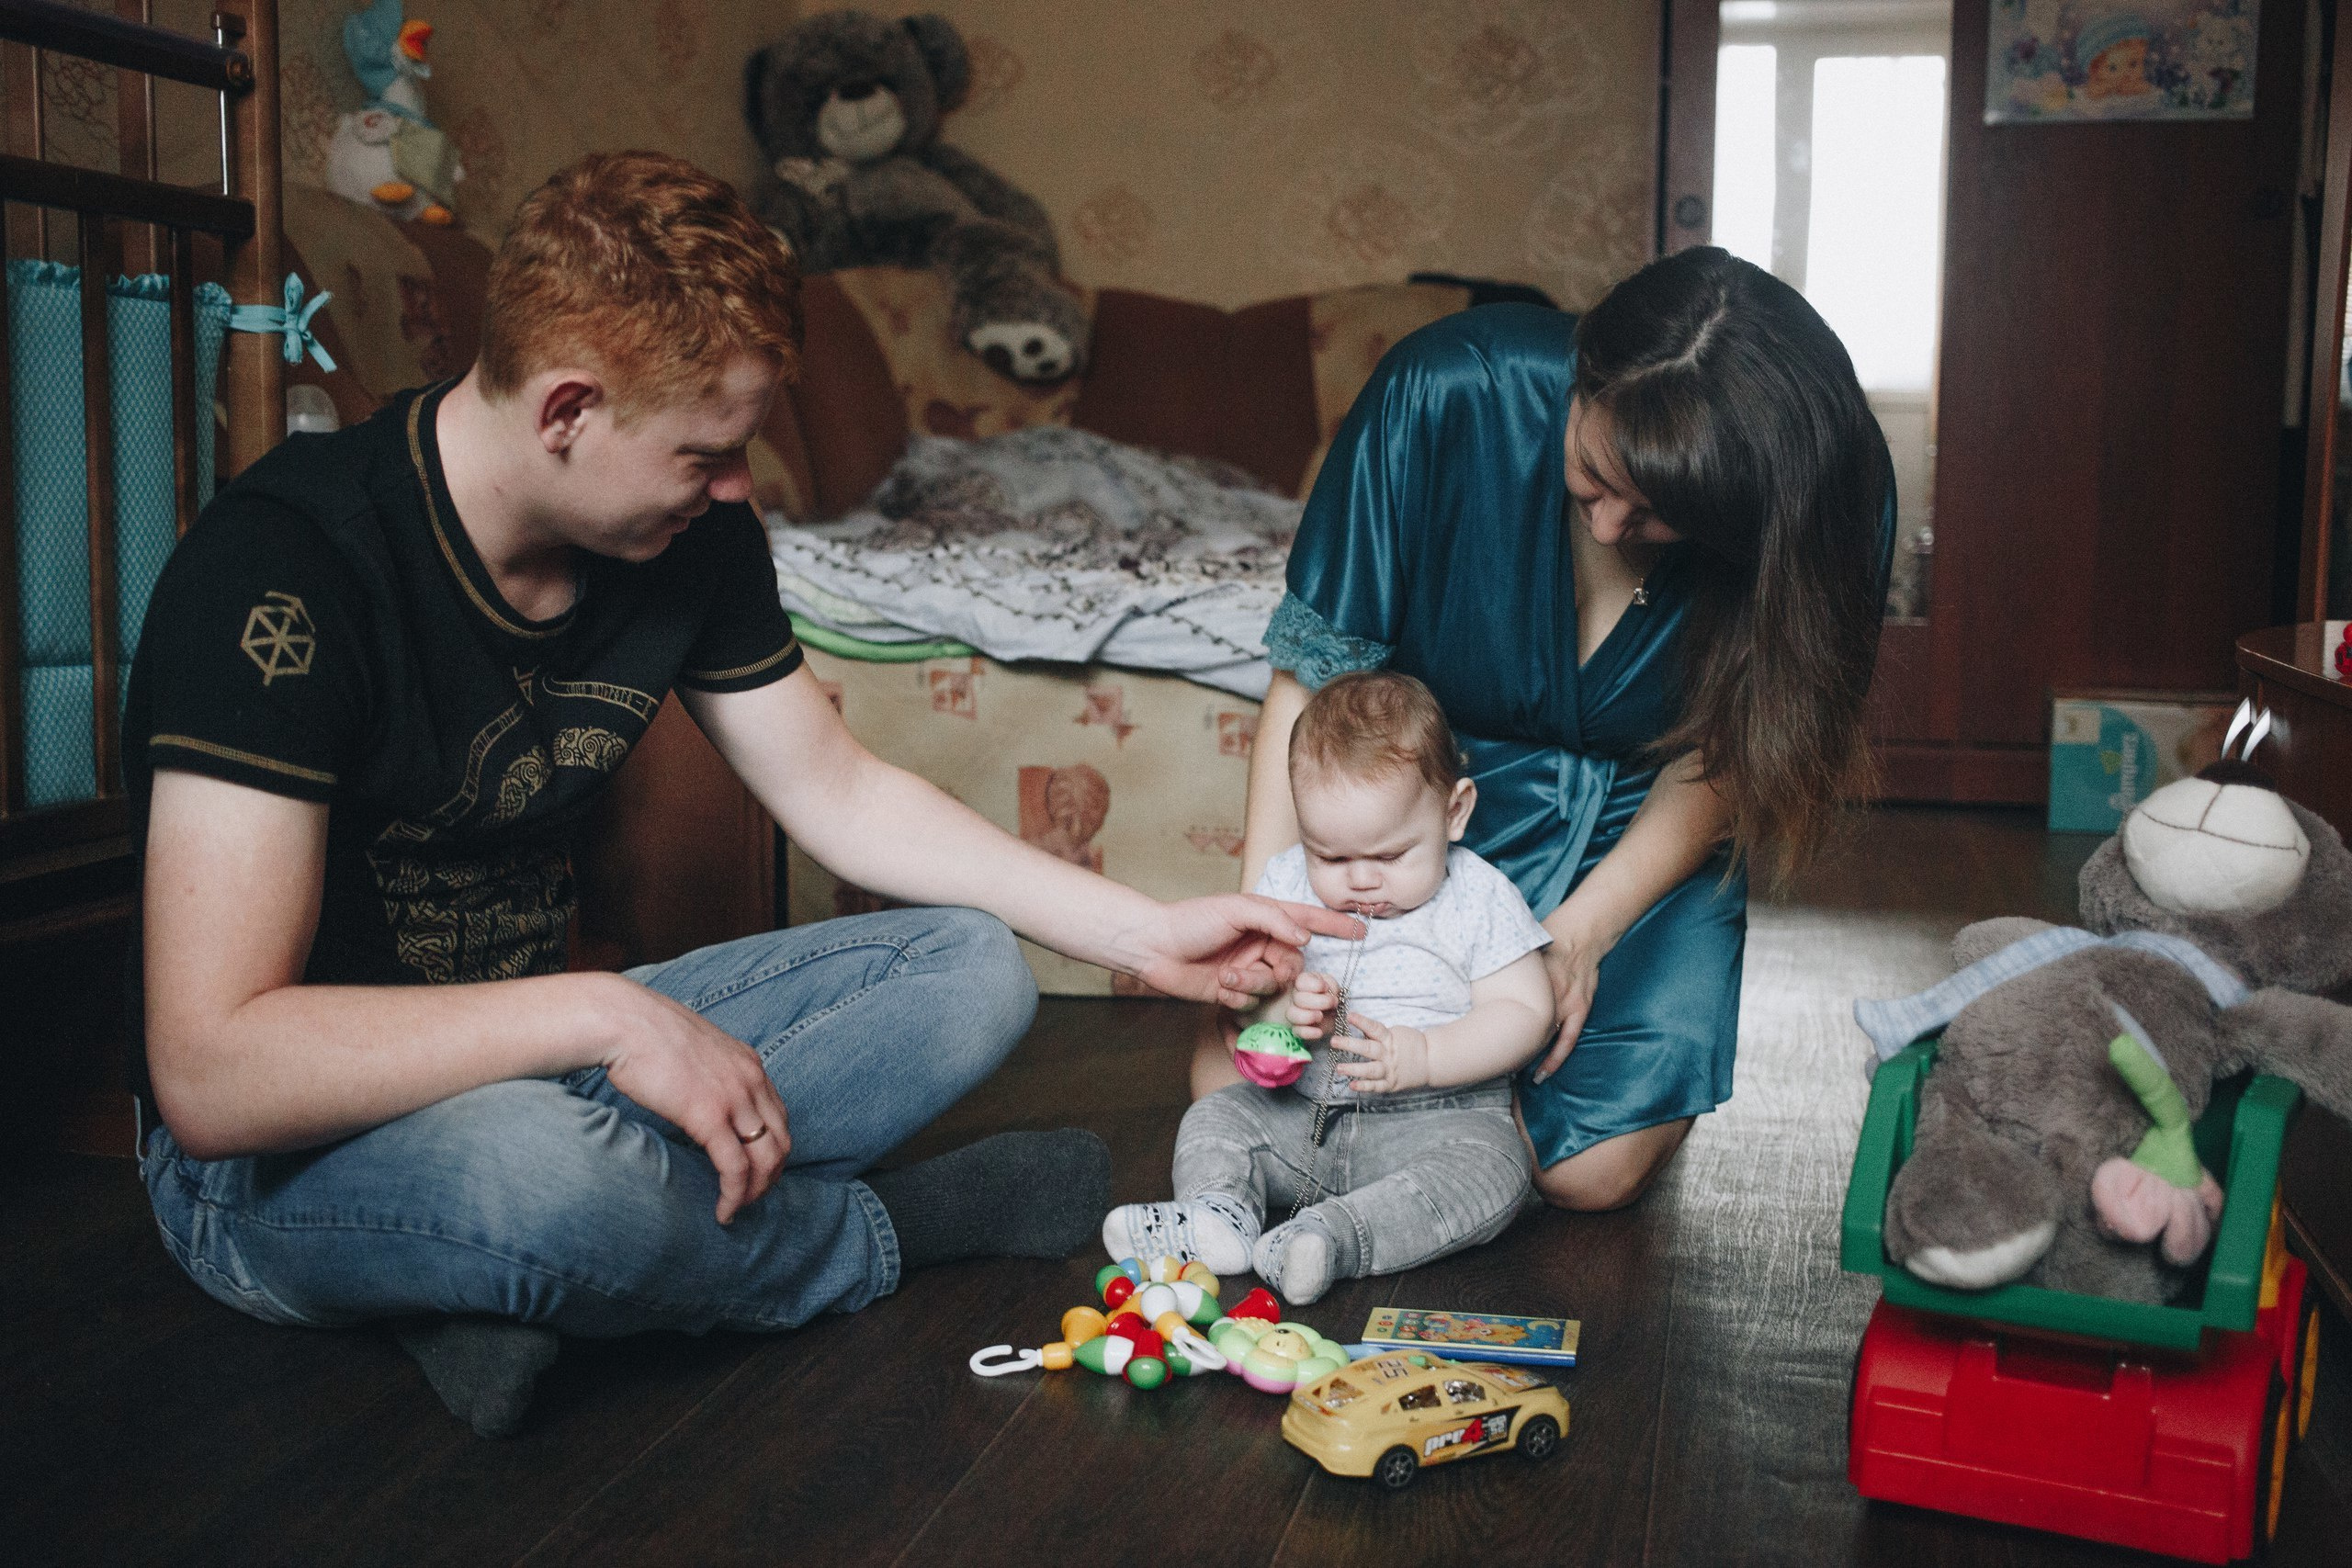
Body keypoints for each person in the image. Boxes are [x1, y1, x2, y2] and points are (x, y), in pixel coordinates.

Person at [126, 151, 1355, 1437]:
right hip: (281, 1159)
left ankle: (528, 1282)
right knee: (538, 1174)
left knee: (975, 966)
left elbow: (837, 789)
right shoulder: (281, 571)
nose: (737, 490)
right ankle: (869, 1230)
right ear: (566, 411)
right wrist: (607, 1015)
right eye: (706, 454)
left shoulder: (687, 535)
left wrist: (1145, 932)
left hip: (550, 1062)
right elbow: (214, 1073)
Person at [1196, 246, 1894, 1213]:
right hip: (1428, 808)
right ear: (1586, 374)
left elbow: (1735, 750)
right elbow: (1312, 684)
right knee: (1235, 1102)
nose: (1608, 528)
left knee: (1580, 1174)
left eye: (1658, 515)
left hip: (1647, 825)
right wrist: (1266, 933)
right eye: (1592, 478)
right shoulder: (1443, 390)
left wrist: (1578, 935)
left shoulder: (1820, 498)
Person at [1105, 671, 1555, 1304]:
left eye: (1393, 855)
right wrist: (1284, 1010)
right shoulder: (1287, 884)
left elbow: (1528, 1009)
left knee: (1496, 1172)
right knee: (1218, 1115)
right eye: (1333, 858)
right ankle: (1218, 1214)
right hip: (1304, 1116)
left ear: (1454, 812)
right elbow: (1250, 1002)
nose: (1363, 880)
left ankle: (1328, 1239)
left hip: (1438, 1125)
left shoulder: (1478, 897)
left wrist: (1426, 1055)